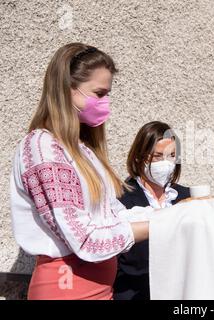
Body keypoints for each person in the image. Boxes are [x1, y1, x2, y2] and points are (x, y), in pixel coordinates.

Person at [10, 43, 151, 300]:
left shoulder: (83, 150)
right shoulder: (43, 147)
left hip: (98, 289)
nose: (105, 103)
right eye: (99, 93)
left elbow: (113, 216)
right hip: (67, 289)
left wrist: (177, 213)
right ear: (67, 89)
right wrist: (160, 226)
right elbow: (85, 240)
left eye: (108, 94)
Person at [113, 121, 190, 300]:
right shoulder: (120, 198)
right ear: (140, 157)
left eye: (172, 156)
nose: (166, 163)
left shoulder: (185, 196)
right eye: (157, 156)